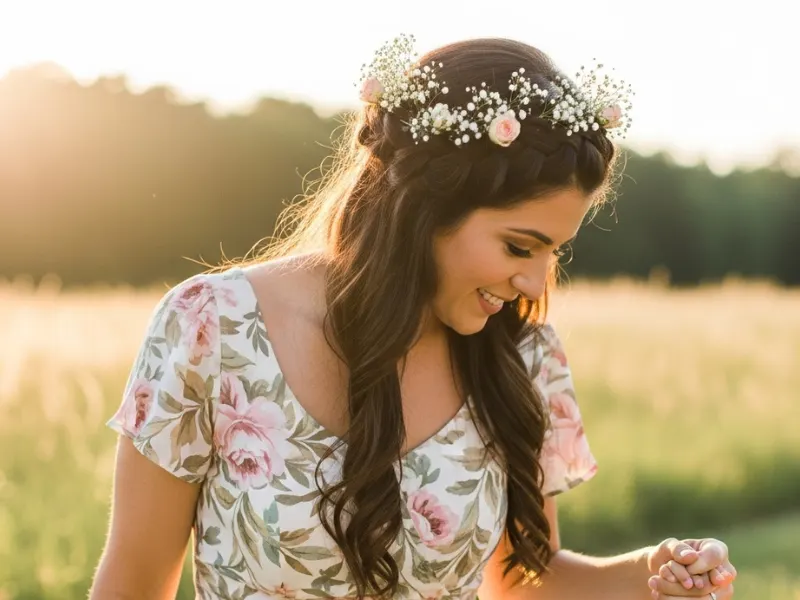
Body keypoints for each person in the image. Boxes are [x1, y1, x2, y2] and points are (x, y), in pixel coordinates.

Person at [90, 35, 737, 600]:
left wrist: (653, 570)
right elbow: (130, 587)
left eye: (553, 252)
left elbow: (520, 582)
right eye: (519, 245)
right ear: (423, 207)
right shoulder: (213, 328)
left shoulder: (525, 355)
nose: (535, 283)